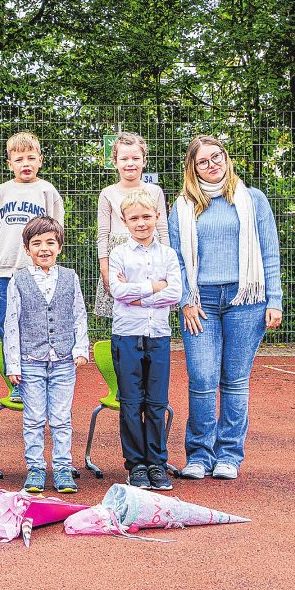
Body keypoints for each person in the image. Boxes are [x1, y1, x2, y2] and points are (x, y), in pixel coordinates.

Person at [169, 135, 282, 481]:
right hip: (200, 302)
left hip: (246, 299)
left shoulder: (253, 200)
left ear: (226, 157)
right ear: (193, 168)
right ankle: (200, 455)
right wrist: (185, 300)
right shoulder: (183, 206)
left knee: (234, 380)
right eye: (203, 161)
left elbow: (269, 251)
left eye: (216, 156)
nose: (212, 164)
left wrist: (274, 299)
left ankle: (229, 455)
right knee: (202, 378)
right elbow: (175, 258)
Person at [4, 215, 89, 494]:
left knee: (62, 417)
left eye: (50, 242)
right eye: (36, 243)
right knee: (34, 418)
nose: (44, 248)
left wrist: (80, 348)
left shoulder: (70, 277)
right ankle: (36, 468)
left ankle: (63, 468)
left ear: (60, 247)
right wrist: (13, 363)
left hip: (64, 360)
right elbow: (12, 323)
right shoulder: (18, 280)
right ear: (27, 249)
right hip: (31, 361)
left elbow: (79, 315)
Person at [108, 190, 181, 491]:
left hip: (159, 336)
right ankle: (136, 464)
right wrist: (155, 287)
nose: (141, 223)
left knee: (156, 402)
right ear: (124, 222)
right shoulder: (118, 254)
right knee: (131, 402)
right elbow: (117, 291)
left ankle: (156, 463)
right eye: (134, 218)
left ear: (157, 217)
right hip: (127, 333)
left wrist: (138, 294)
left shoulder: (168, 254)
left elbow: (175, 293)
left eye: (146, 217)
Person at [0, 131, 65, 402]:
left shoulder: (47, 191)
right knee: (6, 325)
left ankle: (42, 377)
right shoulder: (1, 191)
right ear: (9, 162)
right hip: (5, 270)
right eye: (18, 158)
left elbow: (57, 230)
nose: (25, 163)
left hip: (36, 271)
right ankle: (17, 383)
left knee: (37, 325)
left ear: (40, 160)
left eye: (31, 158)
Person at [95, 132, 169, 319]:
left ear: (144, 161)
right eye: (124, 158)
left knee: (151, 308)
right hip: (120, 263)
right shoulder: (107, 193)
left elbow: (163, 229)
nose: (130, 163)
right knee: (126, 310)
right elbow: (103, 235)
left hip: (151, 257)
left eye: (136, 158)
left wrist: (167, 265)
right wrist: (106, 270)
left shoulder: (155, 191)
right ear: (115, 162)